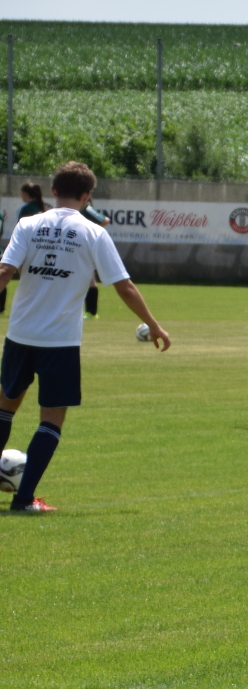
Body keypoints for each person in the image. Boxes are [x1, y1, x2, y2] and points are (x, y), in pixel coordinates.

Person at [0, 162, 171, 513]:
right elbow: (123, 286)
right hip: (59, 342)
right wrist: (153, 324)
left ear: (53, 190)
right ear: (87, 195)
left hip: (19, 334)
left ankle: (21, 494)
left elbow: (4, 271)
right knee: (51, 418)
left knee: (5, 407)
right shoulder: (94, 233)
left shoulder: (28, 224)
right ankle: (23, 499)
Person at [0, 183, 47, 315]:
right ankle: (41, 306)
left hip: (27, 247)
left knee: (25, 280)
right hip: (42, 247)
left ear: (25, 194)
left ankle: (28, 307)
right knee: (39, 278)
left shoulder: (24, 208)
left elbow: (19, 229)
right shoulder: (43, 207)